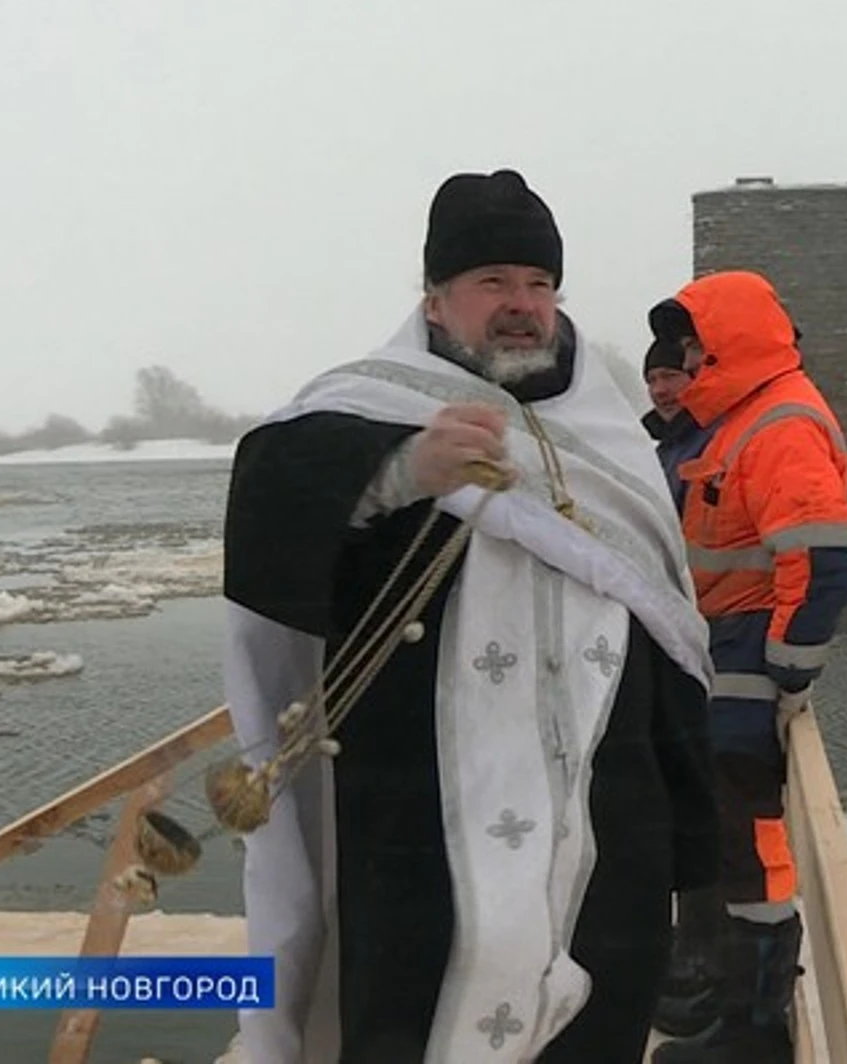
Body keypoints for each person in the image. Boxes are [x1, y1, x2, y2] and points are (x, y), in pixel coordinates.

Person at [219, 168, 720, 1064]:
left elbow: (671, 628)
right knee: (410, 1018)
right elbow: (272, 507)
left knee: (597, 1016)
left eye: (538, 284)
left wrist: (687, 839)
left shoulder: (610, 437)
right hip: (420, 811)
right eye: (492, 283)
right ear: (436, 302)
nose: (521, 305)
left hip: (603, 810)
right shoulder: (362, 408)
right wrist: (402, 472)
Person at [646, 270, 847, 1064]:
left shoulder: (778, 424)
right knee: (730, 849)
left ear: (727, 339)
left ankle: (755, 1033)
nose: (690, 357)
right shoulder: (736, 421)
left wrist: (787, 676)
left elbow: (823, 567)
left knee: (751, 858)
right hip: (716, 671)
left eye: (698, 342)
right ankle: (736, 1012)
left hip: (742, 678)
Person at [639, 336, 711, 506]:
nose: (659, 390)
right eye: (651, 380)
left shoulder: (718, 441)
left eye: (670, 376)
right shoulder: (661, 453)